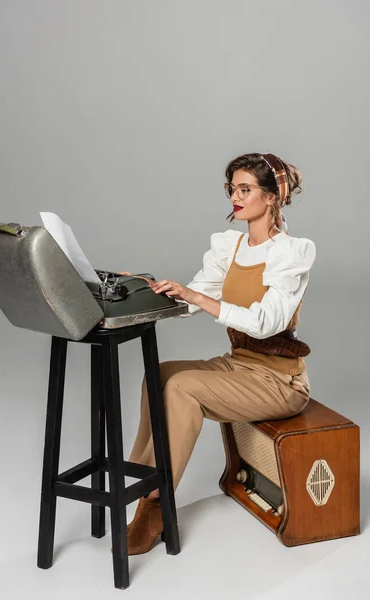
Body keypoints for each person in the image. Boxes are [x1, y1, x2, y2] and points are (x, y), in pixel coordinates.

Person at [121, 152, 316, 555]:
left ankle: (156, 503)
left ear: (271, 197)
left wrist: (198, 297)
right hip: (240, 365)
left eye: (245, 189)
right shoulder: (231, 246)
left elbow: (267, 322)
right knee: (158, 375)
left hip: (280, 381)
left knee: (183, 388)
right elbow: (194, 298)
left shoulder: (291, 253)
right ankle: (142, 478)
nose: (235, 197)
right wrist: (145, 289)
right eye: (232, 189)